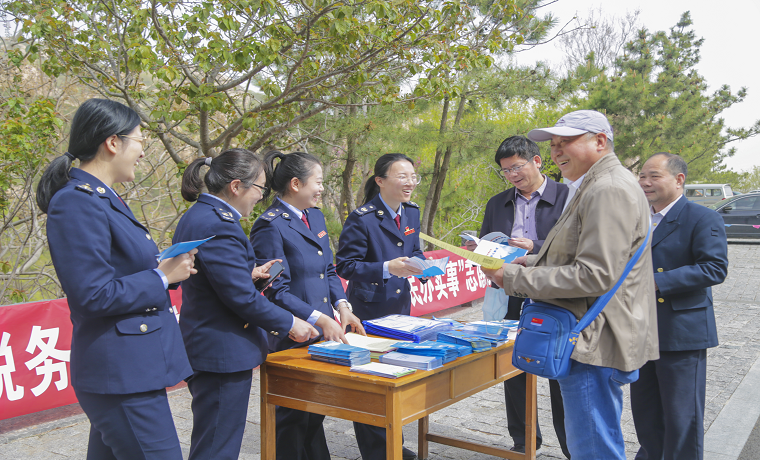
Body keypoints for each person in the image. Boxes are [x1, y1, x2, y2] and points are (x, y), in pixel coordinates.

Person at [481, 110, 659, 459]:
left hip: (593, 336)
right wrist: (528, 262)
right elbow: (582, 257)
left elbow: (595, 274)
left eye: (567, 143)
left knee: (592, 448)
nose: (557, 152)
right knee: (594, 441)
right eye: (554, 145)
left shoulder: (607, 189)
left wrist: (515, 277)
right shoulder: (596, 184)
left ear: (600, 141)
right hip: (591, 331)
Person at [36, 98, 197, 459]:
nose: (142, 152)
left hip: (130, 370)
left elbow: (120, 272)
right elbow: (92, 294)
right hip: (121, 376)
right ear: (113, 142)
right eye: (140, 141)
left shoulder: (104, 199)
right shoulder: (77, 202)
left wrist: (167, 271)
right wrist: (160, 276)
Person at [173, 148, 318, 460]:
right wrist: (291, 323)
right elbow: (240, 297)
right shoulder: (218, 224)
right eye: (260, 189)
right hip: (221, 351)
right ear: (236, 186)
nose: (261, 197)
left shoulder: (202, 215)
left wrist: (246, 274)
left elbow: (219, 279)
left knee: (214, 440)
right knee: (217, 447)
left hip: (210, 345)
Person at [249, 150, 367, 460]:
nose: (322, 189)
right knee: (291, 417)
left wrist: (341, 305)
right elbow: (274, 288)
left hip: (322, 331)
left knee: (315, 412)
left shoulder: (313, 215)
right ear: (296, 184)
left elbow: (327, 268)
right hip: (291, 334)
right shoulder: (270, 225)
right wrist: (318, 318)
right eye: (318, 182)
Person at [474, 136, 570, 457]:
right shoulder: (497, 203)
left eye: (517, 167)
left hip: (555, 294)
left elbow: (577, 249)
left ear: (538, 161)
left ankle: (573, 445)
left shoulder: (568, 197)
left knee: (560, 368)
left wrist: (533, 246)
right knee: (513, 365)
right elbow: (487, 247)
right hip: (510, 293)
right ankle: (524, 441)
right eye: (505, 171)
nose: (512, 175)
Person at [632, 152, 728, 460]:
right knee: (645, 410)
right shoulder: (638, 218)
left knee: (681, 415)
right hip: (639, 329)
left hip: (680, 332)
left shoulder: (702, 217)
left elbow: (714, 268)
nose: (645, 182)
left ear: (679, 180)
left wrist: (658, 281)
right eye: (642, 176)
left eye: (654, 176)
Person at [336, 153, 425, 460]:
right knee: (371, 383)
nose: (410, 183)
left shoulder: (411, 212)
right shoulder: (362, 218)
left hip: (400, 307)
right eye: (402, 177)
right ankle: (377, 452)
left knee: (398, 378)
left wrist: (424, 269)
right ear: (380, 181)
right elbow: (345, 266)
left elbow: (415, 252)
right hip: (370, 310)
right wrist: (387, 267)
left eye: (413, 177)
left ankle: (394, 444)